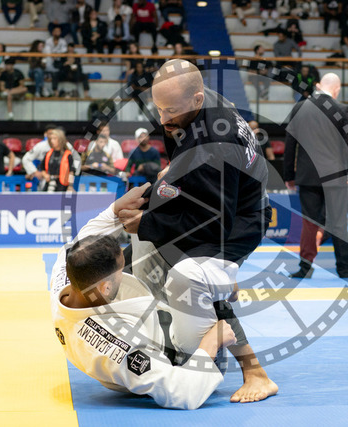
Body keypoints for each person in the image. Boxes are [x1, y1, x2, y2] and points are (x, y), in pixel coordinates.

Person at [118, 59, 278, 403]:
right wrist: (174, 171)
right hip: (223, 193)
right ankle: (209, 293)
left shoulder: (213, 147)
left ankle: (255, 372)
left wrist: (147, 222)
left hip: (237, 220)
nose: (163, 119)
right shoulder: (194, 104)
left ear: (198, 99)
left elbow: (213, 225)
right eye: (159, 109)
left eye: (170, 111)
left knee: (190, 277)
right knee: (141, 256)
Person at [50, 186, 238, 409]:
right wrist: (212, 343)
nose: (124, 271)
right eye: (120, 271)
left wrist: (115, 209)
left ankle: (215, 280)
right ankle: (220, 282)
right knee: (188, 274)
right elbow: (183, 392)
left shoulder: (70, 276)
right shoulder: (117, 349)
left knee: (146, 227)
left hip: (154, 317)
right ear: (105, 287)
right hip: (187, 359)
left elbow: (79, 243)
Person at [284, 73, 348, 279]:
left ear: (319, 86)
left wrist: (289, 175)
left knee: (310, 223)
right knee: (338, 223)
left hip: (307, 176)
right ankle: (343, 268)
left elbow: (290, 144)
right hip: (335, 175)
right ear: (337, 88)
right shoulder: (341, 109)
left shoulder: (299, 108)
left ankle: (305, 268)